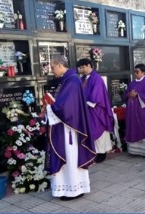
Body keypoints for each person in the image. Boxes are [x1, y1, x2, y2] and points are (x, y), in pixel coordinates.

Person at [45, 55, 96, 200]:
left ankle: (74, 189)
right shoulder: (68, 79)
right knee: (69, 156)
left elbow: (65, 108)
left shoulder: (72, 81)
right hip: (65, 125)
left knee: (70, 156)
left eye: (53, 67)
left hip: (69, 127)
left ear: (60, 65)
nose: (52, 70)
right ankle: (69, 188)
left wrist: (50, 106)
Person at [77, 58, 114, 163]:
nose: (82, 69)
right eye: (80, 68)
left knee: (99, 131)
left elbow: (96, 95)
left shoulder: (96, 78)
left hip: (96, 109)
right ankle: (92, 152)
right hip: (87, 109)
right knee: (90, 131)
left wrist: (86, 102)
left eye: (83, 67)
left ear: (89, 65)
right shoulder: (83, 78)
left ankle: (101, 153)